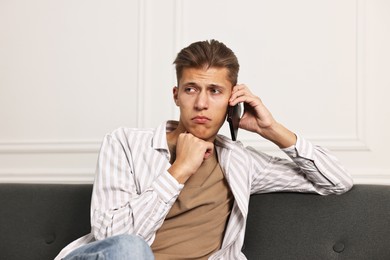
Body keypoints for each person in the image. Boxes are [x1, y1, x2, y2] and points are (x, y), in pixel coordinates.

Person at [55, 39, 353, 260]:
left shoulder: (239, 161)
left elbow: (337, 180)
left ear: (232, 102)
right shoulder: (126, 143)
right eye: (191, 89)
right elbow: (113, 239)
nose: (201, 103)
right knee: (130, 249)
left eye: (215, 91)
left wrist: (270, 129)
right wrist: (179, 170)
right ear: (176, 95)